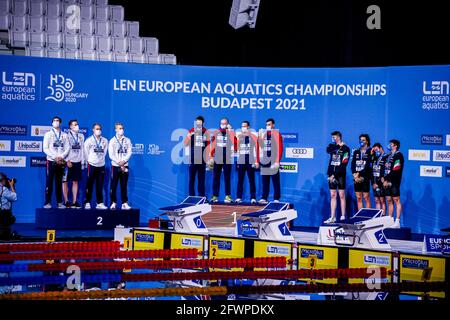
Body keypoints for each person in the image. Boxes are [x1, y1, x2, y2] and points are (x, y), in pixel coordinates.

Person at [43, 116, 70, 209]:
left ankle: (59, 202)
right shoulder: (48, 134)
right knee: (49, 182)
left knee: (59, 183)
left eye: (57, 121)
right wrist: (55, 157)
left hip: (61, 162)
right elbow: (45, 148)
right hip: (51, 161)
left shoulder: (64, 135)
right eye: (54, 121)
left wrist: (61, 157)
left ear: (60, 123)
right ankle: (47, 202)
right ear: (52, 123)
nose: (56, 122)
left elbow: (67, 148)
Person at [324, 131, 350, 223]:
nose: (333, 139)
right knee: (332, 195)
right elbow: (328, 150)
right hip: (331, 173)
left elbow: (344, 163)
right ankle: (332, 217)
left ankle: (343, 216)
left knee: (341, 195)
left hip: (340, 175)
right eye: (332, 137)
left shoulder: (346, 149)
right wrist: (331, 174)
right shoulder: (332, 146)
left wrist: (334, 175)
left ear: (339, 137)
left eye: (334, 137)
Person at [209, 118, 236, 203]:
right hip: (218, 157)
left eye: (224, 123)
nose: (223, 125)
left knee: (227, 177)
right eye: (221, 123)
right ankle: (215, 196)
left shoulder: (231, 132)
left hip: (227, 157)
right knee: (216, 177)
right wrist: (211, 155)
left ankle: (228, 196)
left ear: (228, 124)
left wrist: (230, 130)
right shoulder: (217, 132)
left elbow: (235, 143)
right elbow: (213, 144)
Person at [84, 123, 109, 210]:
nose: (98, 130)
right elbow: (86, 153)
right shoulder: (89, 140)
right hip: (92, 165)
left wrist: (100, 160)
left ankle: (99, 203)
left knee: (100, 185)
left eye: (99, 129)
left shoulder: (105, 140)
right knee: (90, 184)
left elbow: (104, 152)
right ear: (93, 130)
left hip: (101, 165)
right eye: (96, 129)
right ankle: (87, 202)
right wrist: (91, 160)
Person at [258, 118, 283, 204]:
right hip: (265, 160)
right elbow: (260, 147)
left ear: (273, 125)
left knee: (275, 180)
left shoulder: (277, 134)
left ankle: (276, 198)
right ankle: (264, 197)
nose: (267, 126)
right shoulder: (264, 134)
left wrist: (277, 161)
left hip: (273, 159)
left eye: (269, 124)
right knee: (265, 180)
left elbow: (280, 148)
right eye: (266, 125)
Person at [108, 122, 132, 210]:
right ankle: (113, 202)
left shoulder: (127, 140)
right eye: (119, 128)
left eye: (122, 128)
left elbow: (129, 152)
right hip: (115, 166)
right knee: (113, 185)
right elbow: (111, 155)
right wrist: (119, 162)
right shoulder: (112, 141)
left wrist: (124, 161)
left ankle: (124, 203)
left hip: (125, 166)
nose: (121, 130)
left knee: (124, 185)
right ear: (116, 130)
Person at [184, 116, 210, 197]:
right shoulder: (191, 130)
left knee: (201, 179)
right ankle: (191, 196)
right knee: (191, 179)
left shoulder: (206, 132)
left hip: (202, 160)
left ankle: (201, 197)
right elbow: (185, 143)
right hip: (193, 159)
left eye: (200, 123)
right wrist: (190, 136)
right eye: (197, 123)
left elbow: (208, 146)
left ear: (203, 123)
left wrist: (208, 158)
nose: (198, 125)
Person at [381, 139, 404, 228]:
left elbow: (396, 169)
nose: (389, 146)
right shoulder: (388, 156)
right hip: (386, 181)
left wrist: (386, 179)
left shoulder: (399, 155)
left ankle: (397, 221)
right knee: (389, 201)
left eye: (391, 144)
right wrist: (383, 178)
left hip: (394, 181)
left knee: (396, 200)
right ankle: (390, 220)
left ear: (395, 146)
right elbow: (383, 167)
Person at [62, 120, 85, 209]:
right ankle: (66, 201)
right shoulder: (66, 136)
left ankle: (75, 201)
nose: (77, 126)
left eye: (77, 124)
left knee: (75, 182)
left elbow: (82, 149)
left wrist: (82, 161)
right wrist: (67, 160)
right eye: (75, 125)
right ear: (70, 127)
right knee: (65, 182)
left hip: (77, 162)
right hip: (68, 162)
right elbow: (64, 149)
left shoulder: (81, 136)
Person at [235, 121, 259, 204]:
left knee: (251, 180)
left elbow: (256, 149)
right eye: (242, 126)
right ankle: (238, 197)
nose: (243, 128)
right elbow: (237, 150)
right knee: (240, 180)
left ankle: (253, 197)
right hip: (241, 160)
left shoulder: (253, 136)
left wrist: (256, 161)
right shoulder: (239, 137)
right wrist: (238, 161)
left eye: (245, 126)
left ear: (248, 127)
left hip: (250, 160)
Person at [351, 134, 372, 210]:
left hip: (365, 176)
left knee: (366, 197)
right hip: (356, 176)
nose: (361, 141)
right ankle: (361, 216)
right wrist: (354, 174)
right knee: (358, 197)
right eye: (360, 140)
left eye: (363, 140)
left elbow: (368, 165)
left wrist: (359, 174)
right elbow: (353, 164)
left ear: (367, 141)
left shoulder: (370, 151)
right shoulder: (356, 151)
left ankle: (368, 217)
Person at [371, 143, 388, 214]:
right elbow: (372, 170)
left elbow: (386, 170)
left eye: (376, 149)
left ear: (381, 148)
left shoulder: (386, 157)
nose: (376, 151)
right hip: (375, 181)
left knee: (382, 200)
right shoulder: (375, 158)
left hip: (381, 181)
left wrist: (382, 181)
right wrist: (373, 183)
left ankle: (383, 216)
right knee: (376, 200)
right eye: (374, 150)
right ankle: (378, 217)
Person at [0, 173, 18, 240]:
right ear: (2, 180)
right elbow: (14, 198)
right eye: (5, 180)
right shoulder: (3, 189)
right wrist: (12, 186)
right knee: (12, 218)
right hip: (3, 215)